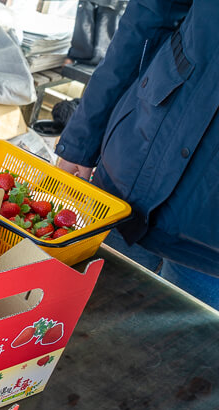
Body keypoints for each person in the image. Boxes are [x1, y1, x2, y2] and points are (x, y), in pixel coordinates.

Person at [54, 0, 219, 308]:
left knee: (175, 354)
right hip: (133, 165)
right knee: (62, 320)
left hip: (209, 247)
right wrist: (83, 137)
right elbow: (149, 15)